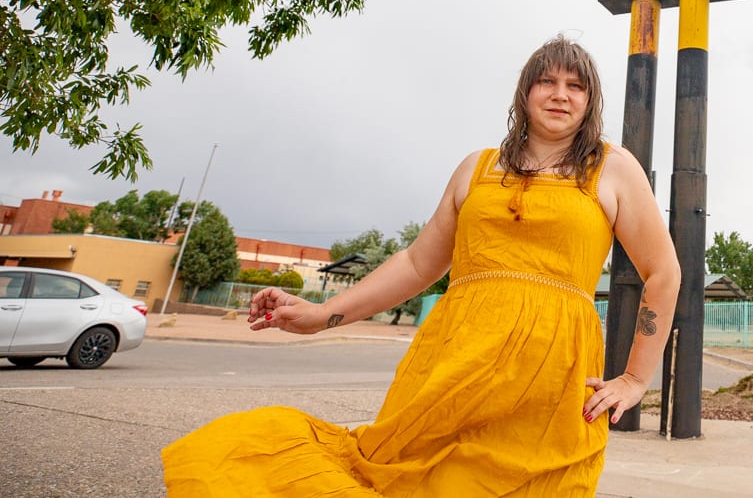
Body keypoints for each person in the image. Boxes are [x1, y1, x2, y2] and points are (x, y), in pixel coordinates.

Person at [162, 36, 681, 496]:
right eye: (546, 81)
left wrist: (636, 378)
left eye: (575, 85)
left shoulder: (611, 168)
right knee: (405, 479)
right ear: (525, 93)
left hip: (550, 381)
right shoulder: (476, 168)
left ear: (590, 101)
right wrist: (323, 314)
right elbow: (416, 264)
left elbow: (664, 270)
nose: (560, 94)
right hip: (450, 366)